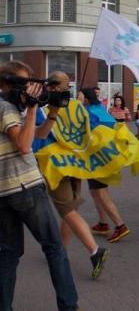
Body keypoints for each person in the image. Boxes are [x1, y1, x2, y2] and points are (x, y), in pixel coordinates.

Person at [0, 61, 79, 311]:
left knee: (9, 254)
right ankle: (69, 306)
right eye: (25, 84)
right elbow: (25, 146)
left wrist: (53, 113)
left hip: (4, 191)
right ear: (7, 83)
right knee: (54, 247)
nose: (29, 90)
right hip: (25, 188)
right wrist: (33, 108)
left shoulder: (9, 108)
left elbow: (38, 135)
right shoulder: (5, 108)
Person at [34, 71, 109, 280]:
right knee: (70, 209)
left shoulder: (44, 108)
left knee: (67, 210)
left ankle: (95, 251)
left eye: (52, 85)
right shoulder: (79, 107)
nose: (50, 88)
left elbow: (39, 134)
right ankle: (62, 250)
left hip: (56, 166)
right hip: (77, 164)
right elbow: (93, 128)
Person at [79, 88, 130, 243]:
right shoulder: (99, 109)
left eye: (79, 96)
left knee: (101, 193)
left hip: (98, 157)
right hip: (101, 156)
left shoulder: (89, 112)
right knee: (95, 191)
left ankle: (120, 225)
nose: (77, 98)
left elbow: (86, 132)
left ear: (86, 99)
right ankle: (103, 223)